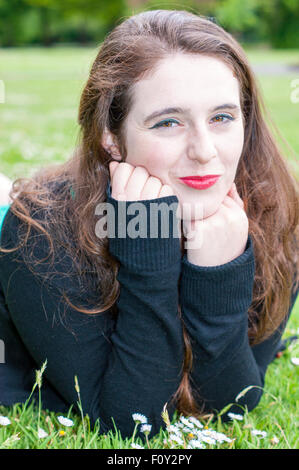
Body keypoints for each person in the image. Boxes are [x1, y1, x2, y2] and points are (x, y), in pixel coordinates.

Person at [0, 9, 298, 440]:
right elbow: (130, 419)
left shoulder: (277, 215)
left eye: (222, 117)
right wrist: (147, 245)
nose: (204, 151)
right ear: (112, 137)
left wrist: (220, 273)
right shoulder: (38, 235)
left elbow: (229, 404)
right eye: (168, 122)